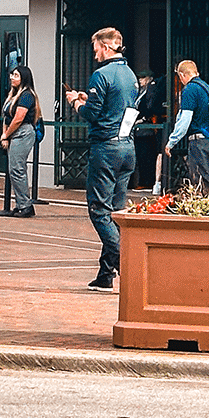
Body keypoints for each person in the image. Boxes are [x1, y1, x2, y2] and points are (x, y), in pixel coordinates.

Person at [65, 27, 139, 291]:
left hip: (106, 148)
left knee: (98, 210)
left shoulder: (101, 74)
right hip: (127, 146)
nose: (94, 52)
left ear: (106, 47)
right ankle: (106, 275)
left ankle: (126, 263)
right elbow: (115, 105)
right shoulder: (130, 75)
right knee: (116, 213)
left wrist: (75, 102)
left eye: (96, 47)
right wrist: (89, 98)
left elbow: (92, 114)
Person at [163, 59, 209, 191]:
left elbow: (184, 120)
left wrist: (171, 142)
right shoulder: (207, 88)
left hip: (199, 142)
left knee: (200, 183)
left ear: (182, 75)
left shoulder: (190, 89)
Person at [0, 63, 40, 218]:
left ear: (24, 78)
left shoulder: (27, 95)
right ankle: (20, 204)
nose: (12, 78)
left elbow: (18, 118)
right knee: (14, 169)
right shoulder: (13, 95)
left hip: (23, 132)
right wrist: (5, 134)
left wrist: (6, 135)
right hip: (14, 133)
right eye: (12, 74)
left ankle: (26, 205)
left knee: (17, 169)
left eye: (16, 75)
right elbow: (7, 117)